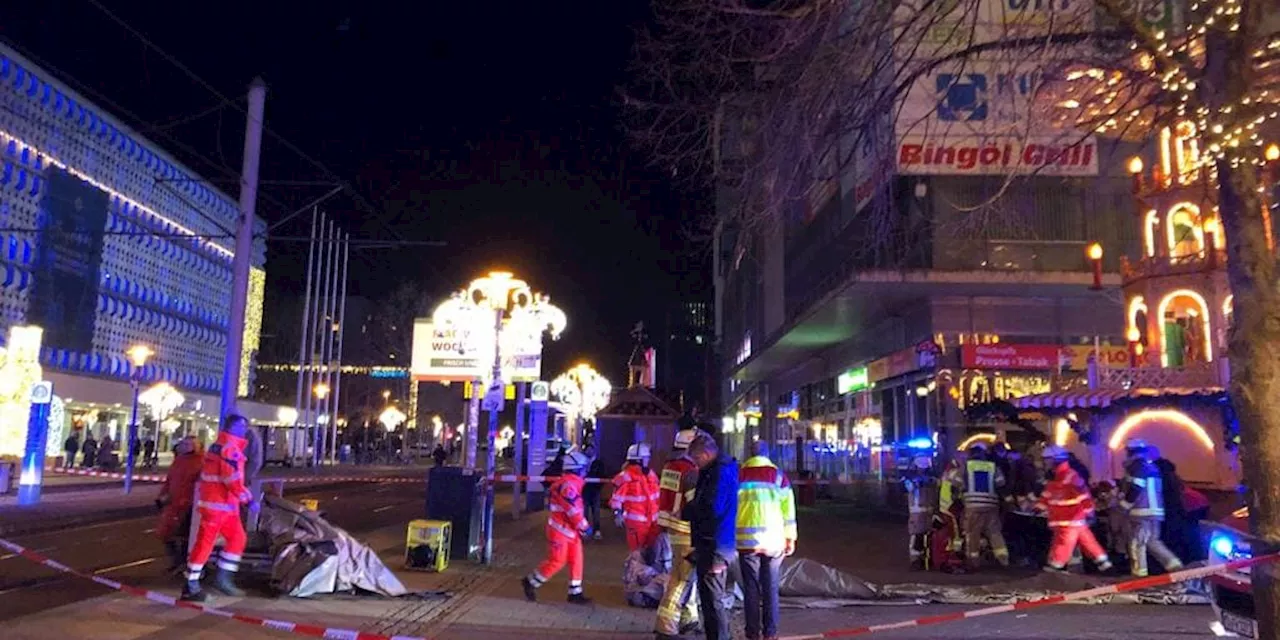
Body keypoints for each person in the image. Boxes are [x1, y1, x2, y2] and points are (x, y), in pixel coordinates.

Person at [182, 415, 255, 602]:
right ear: (233, 427)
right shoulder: (231, 450)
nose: (245, 430)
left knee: (237, 538)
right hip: (219, 507)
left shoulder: (220, 446)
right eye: (242, 426)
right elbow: (232, 480)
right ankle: (191, 585)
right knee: (205, 544)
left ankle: (222, 579)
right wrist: (249, 500)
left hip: (223, 507)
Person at [736, 441, 796, 640]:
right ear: (767, 454)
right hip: (773, 541)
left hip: (746, 542)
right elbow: (788, 511)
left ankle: (752, 633)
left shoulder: (739, 475)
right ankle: (770, 633)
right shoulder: (778, 477)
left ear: (749, 454)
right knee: (771, 588)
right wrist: (790, 537)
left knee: (751, 589)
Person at [681, 432, 738, 640]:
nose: (695, 464)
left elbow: (712, 507)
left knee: (713, 599)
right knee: (709, 598)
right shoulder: (716, 471)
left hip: (716, 544)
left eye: (696, 459)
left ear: (706, 454)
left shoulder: (719, 473)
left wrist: (688, 511)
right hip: (713, 542)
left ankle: (720, 637)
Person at [521, 447, 593, 604]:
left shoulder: (571, 484)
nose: (585, 472)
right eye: (583, 469)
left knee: (577, 559)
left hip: (568, 530)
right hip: (560, 530)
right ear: (577, 469)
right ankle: (531, 581)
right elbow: (573, 510)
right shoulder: (568, 486)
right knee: (557, 561)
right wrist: (585, 527)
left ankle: (575, 592)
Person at [653, 428, 702, 639]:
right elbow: (694, 505)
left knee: (687, 578)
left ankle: (688, 619)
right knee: (680, 579)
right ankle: (665, 626)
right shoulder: (691, 471)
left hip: (673, 528)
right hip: (686, 529)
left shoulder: (669, 467)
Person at [1037, 445, 1113, 573]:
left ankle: (1056, 565)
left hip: (1070, 518)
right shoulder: (1056, 477)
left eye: (1047, 460)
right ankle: (1104, 564)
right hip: (1068, 518)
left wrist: (1089, 511)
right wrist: (1039, 507)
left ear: (1056, 460)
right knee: (1087, 541)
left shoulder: (1071, 476)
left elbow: (1084, 496)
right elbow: (1048, 495)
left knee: (1063, 543)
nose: (1045, 463)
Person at [1120, 439, 1183, 577]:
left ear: (1130, 451)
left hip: (1142, 513)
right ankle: (1177, 569)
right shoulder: (1151, 466)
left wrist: (1124, 505)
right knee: (1153, 542)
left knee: (1137, 545)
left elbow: (1136, 488)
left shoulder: (1137, 466)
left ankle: (1138, 579)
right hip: (1155, 513)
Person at [951, 441, 1008, 568]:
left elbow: (956, 483)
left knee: (972, 533)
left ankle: (973, 560)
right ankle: (1003, 558)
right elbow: (1001, 483)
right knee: (994, 532)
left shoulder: (966, 466)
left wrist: (957, 496)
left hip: (972, 505)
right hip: (991, 504)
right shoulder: (993, 466)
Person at [156, 436, 203, 573]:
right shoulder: (179, 461)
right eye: (185, 443)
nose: (187, 446)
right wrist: (161, 496)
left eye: (190, 444)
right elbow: (170, 481)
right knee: (165, 533)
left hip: (190, 506)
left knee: (185, 536)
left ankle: (183, 562)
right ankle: (176, 560)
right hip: (174, 503)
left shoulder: (201, 462)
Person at [610, 443, 660, 551]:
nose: (648, 460)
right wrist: (617, 514)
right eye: (646, 458)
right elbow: (616, 498)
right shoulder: (625, 477)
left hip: (653, 521)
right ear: (639, 460)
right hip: (637, 523)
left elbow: (657, 496)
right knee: (638, 554)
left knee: (652, 555)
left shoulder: (650, 474)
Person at [902, 455, 937, 570]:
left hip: (925, 513)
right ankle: (917, 560)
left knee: (924, 537)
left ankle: (924, 559)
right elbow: (909, 487)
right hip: (920, 513)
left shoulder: (931, 479)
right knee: (918, 537)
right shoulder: (911, 479)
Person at [582, 445, 605, 541]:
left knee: (596, 511)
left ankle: (597, 530)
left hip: (595, 490)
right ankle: (585, 530)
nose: (589, 451)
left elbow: (602, 475)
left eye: (591, 450)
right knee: (584, 511)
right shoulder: (582, 462)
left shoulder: (598, 463)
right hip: (585, 490)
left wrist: (598, 487)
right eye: (587, 450)